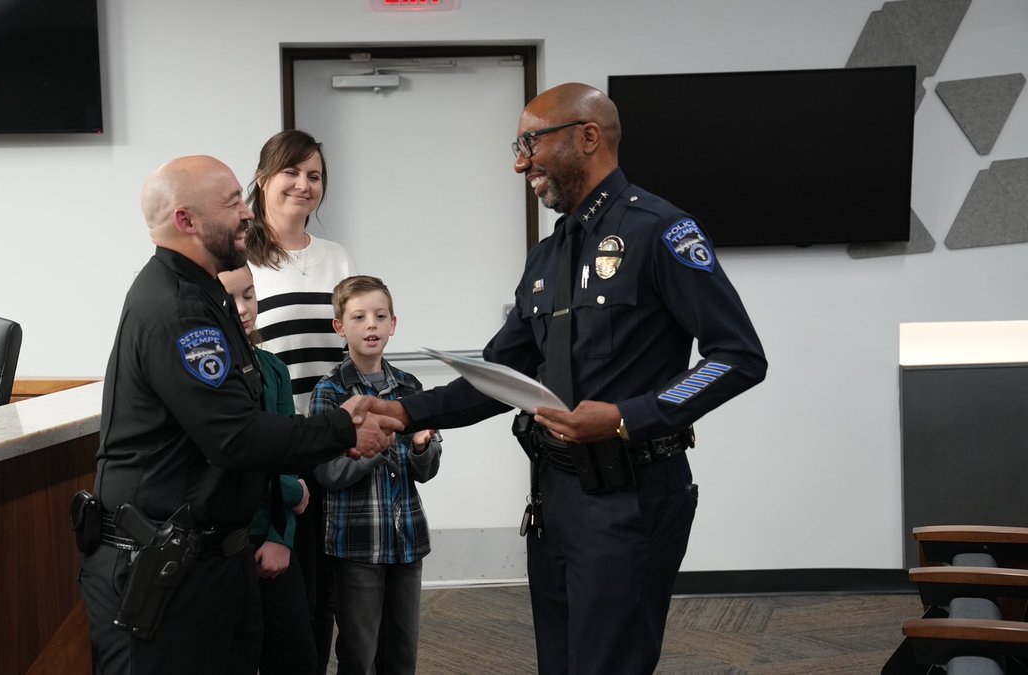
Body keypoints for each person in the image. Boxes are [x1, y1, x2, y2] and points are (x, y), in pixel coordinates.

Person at [367, 83, 768, 675]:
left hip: (630, 496)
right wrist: (403, 414)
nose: (519, 160)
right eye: (518, 144)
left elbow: (737, 356)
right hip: (554, 498)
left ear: (587, 137)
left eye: (530, 141)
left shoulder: (661, 231)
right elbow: (499, 373)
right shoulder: (547, 256)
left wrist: (629, 416)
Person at [80, 154, 401, 675]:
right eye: (231, 203)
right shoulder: (178, 308)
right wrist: (342, 428)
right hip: (162, 564)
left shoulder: (208, 296)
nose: (247, 214)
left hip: (211, 559)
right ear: (186, 220)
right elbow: (235, 437)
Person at [244, 129, 358, 672]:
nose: (303, 185)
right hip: (277, 445)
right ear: (264, 178)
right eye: (291, 172)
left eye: (314, 176)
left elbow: (351, 342)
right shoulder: (242, 254)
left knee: (330, 589)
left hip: (332, 442)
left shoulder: (337, 256)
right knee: (289, 588)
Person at [308, 275, 442, 675]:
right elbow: (328, 472)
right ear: (340, 327)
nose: (371, 325)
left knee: (401, 652)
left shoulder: (411, 387)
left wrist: (421, 447)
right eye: (359, 317)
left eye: (380, 316)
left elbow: (428, 470)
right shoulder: (330, 393)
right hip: (357, 544)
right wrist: (373, 449)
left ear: (393, 324)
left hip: (406, 540)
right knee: (359, 652)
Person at [219, 264, 316, 674]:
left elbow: (284, 458)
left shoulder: (273, 369)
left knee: (296, 657)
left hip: (270, 535)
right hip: (224, 543)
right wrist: (293, 493)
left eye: (250, 295)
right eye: (231, 298)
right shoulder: (207, 371)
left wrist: (281, 537)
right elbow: (241, 457)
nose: (243, 308)